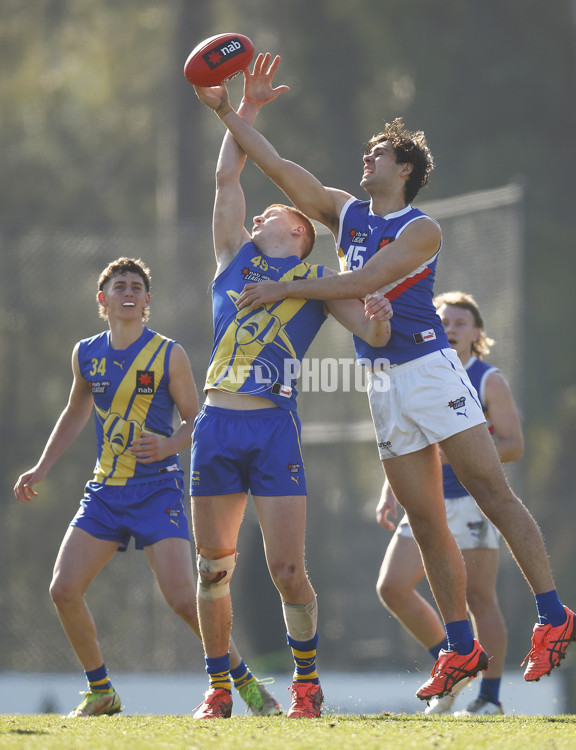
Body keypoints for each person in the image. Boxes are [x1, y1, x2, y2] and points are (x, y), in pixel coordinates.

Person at [193, 56, 576, 703]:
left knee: (490, 490)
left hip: (430, 371)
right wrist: (229, 112)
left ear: (404, 170)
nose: (366, 159)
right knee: (425, 521)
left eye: (378, 154)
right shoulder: (344, 214)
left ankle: (553, 614)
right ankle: (459, 646)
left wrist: (286, 286)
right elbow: (278, 168)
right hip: (382, 385)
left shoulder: (420, 229)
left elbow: (364, 282)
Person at [189, 55, 392, 720]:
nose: (285, 215)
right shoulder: (233, 258)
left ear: (306, 238)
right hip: (217, 425)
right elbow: (227, 176)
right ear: (256, 229)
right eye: (274, 212)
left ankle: (306, 685)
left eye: (299, 218)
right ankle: (219, 688)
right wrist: (243, 109)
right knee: (212, 569)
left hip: (272, 428)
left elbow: (373, 332)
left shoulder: (316, 282)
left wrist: (382, 318)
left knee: (287, 573)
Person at [13, 256, 280, 718]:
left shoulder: (168, 353)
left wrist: (169, 445)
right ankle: (102, 691)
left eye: (137, 286)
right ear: (103, 299)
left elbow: (198, 419)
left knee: (182, 598)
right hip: (105, 492)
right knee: (63, 589)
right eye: (119, 286)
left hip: (157, 490)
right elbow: (76, 411)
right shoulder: (86, 354)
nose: (129, 292)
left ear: (148, 301)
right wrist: (41, 467)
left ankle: (245, 683)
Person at [376, 291, 523, 715]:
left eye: (461, 323)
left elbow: (513, 445)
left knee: (478, 598)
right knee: (392, 588)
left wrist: (465, 451)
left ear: (477, 333)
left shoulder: (488, 379)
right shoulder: (415, 373)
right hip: (426, 502)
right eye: (443, 321)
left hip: (471, 503)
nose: (451, 329)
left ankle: (490, 699)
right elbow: (403, 443)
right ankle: (455, 662)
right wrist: (390, 490)